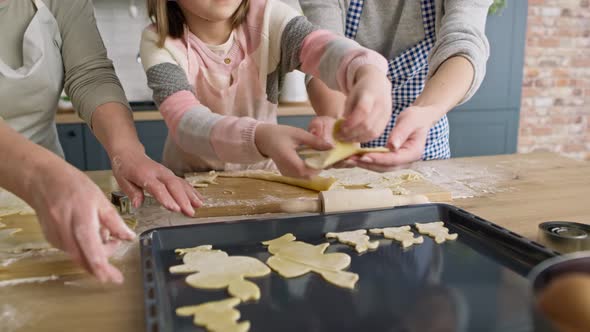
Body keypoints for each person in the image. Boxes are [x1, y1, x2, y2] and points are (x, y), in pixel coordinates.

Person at [0, 0, 202, 283]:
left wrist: (127, 150)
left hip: (51, 202)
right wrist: (40, 176)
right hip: (49, 183)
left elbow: (89, 74)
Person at [140, 0, 394, 178]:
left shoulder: (270, 17)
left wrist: (367, 72)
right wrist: (260, 137)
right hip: (189, 181)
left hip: (265, 176)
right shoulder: (159, 41)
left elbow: (323, 47)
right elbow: (185, 123)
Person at [300, 0, 492, 171]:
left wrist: (425, 113)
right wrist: (341, 128)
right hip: (344, 120)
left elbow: (464, 44)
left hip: (423, 138)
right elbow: (323, 52)